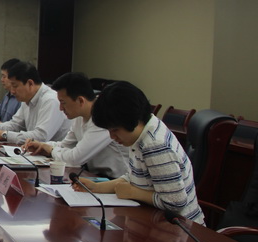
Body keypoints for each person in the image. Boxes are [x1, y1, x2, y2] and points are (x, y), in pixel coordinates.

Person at [74, 81, 204, 224]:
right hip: (154, 219)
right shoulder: (142, 131)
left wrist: (133, 192)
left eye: (115, 130)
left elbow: (175, 203)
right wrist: (96, 187)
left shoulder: (154, 145)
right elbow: (134, 177)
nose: (112, 137)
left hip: (179, 228)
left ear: (133, 120)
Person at [23, 72, 128, 178]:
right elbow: (65, 145)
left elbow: (76, 158)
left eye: (63, 103)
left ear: (80, 100)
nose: (60, 108)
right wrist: (42, 145)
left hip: (115, 180)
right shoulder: (79, 116)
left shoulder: (103, 118)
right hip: (95, 176)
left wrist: (51, 150)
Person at [0, 61, 69, 145]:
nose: (12, 91)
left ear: (30, 83)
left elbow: (41, 137)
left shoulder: (51, 100)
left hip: (54, 156)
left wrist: (3, 135)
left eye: (15, 86)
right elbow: (15, 124)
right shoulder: (27, 98)